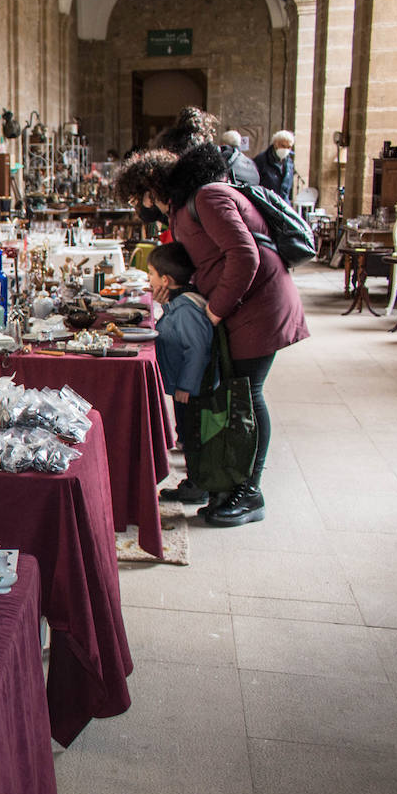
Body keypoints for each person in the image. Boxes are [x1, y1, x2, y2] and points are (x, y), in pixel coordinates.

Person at [115, 143, 309, 526]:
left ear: (154, 186)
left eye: (141, 197)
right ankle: (208, 479)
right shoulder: (189, 205)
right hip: (240, 308)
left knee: (247, 397)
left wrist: (214, 310)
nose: (143, 206)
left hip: (259, 307)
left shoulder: (209, 196)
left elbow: (245, 255)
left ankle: (249, 492)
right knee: (226, 393)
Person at [147, 242, 214, 506]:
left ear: (166, 279)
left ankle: (197, 485)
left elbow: (197, 349)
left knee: (192, 434)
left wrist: (187, 385)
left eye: (151, 274)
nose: (149, 280)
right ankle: (193, 479)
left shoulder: (186, 310)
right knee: (185, 432)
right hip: (183, 385)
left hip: (191, 389)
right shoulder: (180, 302)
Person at [254, 130, 296, 203]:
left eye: (289, 147)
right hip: (266, 203)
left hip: (283, 204)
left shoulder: (289, 162)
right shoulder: (261, 160)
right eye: (283, 146)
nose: (286, 149)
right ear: (276, 144)